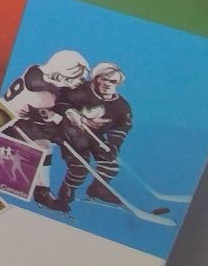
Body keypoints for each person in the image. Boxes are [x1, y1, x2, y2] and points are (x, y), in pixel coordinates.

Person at [30, 60, 132, 213]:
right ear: (95, 78)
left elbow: (121, 127)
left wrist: (113, 145)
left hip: (94, 136)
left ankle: (98, 189)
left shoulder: (121, 106)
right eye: (103, 79)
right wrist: (68, 110)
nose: (107, 84)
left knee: (110, 164)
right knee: (80, 165)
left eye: (112, 81)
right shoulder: (80, 88)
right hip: (67, 131)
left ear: (118, 83)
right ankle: (67, 190)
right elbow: (59, 101)